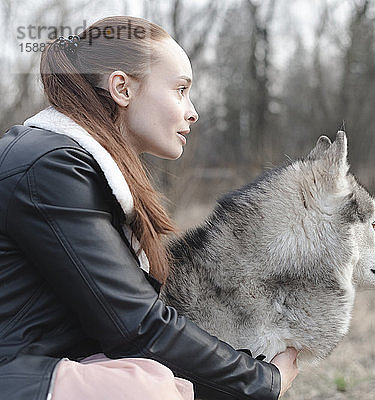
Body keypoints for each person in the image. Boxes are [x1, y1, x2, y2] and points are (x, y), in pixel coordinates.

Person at [0, 16, 298, 400]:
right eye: (180, 90)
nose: (192, 112)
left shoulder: (68, 162)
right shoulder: (51, 168)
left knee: (163, 380)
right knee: (146, 390)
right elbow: (134, 325)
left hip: (27, 366)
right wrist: (262, 381)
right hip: (14, 371)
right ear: (122, 87)